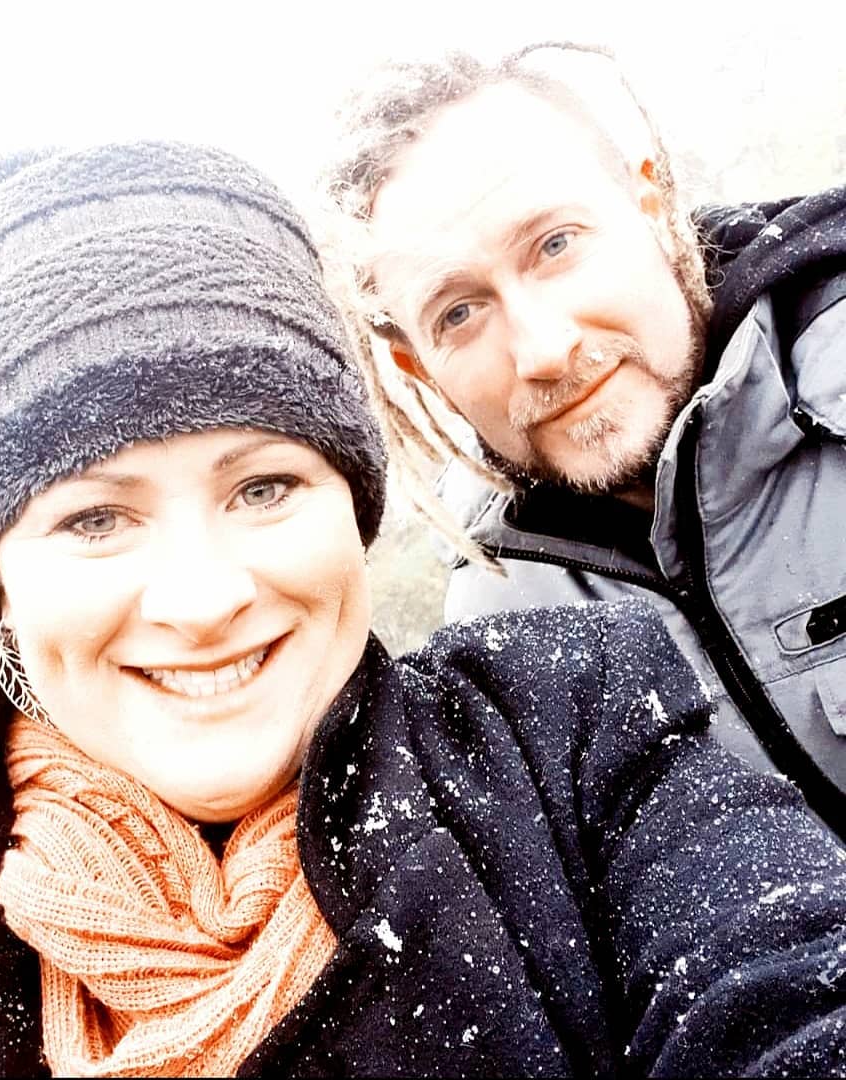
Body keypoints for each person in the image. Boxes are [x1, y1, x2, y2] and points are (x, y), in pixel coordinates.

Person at [0, 142, 846, 1079]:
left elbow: (784, 985)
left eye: (264, 488)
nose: (202, 600)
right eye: (95, 519)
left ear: (353, 504)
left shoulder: (572, 729)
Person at [317, 42, 846, 836]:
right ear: (418, 367)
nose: (542, 349)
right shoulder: (499, 639)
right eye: (459, 313)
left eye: (556, 244)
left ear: (649, 205)